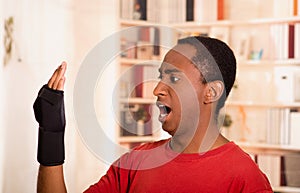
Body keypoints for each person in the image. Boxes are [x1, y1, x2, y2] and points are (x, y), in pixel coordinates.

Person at [33, 36, 273, 193]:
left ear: (210, 92)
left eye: (174, 78)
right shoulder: (135, 163)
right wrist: (51, 133)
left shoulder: (245, 179)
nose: (157, 89)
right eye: (161, 76)